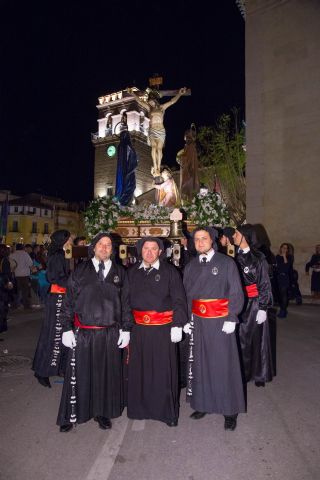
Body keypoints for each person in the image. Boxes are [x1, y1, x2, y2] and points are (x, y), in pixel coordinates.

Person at [56, 232, 132, 432]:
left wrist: (126, 329)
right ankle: (69, 414)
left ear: (112, 249)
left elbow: (126, 303)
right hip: (84, 334)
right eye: (101, 244)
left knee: (105, 376)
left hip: (110, 334)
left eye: (108, 245)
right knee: (78, 374)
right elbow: (69, 302)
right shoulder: (81, 271)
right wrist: (66, 328)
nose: (104, 248)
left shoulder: (120, 272)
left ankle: (101, 412)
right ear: (93, 247)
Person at [183, 227, 245, 431]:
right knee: (201, 364)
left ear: (213, 241)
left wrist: (232, 316)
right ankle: (203, 404)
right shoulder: (190, 266)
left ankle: (229, 410)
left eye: (204, 238)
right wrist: (186, 318)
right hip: (199, 323)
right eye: (197, 239)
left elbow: (236, 291)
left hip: (220, 322)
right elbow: (186, 295)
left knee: (224, 365)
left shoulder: (226, 263)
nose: (200, 242)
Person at [127, 236, 187, 427]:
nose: (150, 252)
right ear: (140, 251)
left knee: (163, 372)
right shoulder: (131, 273)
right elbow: (124, 302)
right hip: (138, 330)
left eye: (154, 249)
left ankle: (166, 413)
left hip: (163, 330)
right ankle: (139, 409)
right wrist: (125, 327)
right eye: (146, 248)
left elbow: (179, 300)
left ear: (161, 252)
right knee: (140, 371)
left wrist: (178, 324)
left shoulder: (170, 272)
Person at [232, 224, 275, 387]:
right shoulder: (233, 257)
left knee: (258, 339)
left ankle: (260, 374)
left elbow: (264, 283)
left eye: (236, 234)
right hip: (239, 303)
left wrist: (263, 307)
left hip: (255, 304)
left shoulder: (258, 258)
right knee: (240, 338)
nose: (234, 236)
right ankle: (242, 372)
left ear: (245, 236)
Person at [32, 230, 72, 388]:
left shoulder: (62, 254)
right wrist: (74, 281)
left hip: (62, 297)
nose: (71, 241)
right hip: (57, 298)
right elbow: (54, 278)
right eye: (70, 239)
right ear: (63, 241)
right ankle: (41, 371)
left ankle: (59, 367)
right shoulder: (57, 256)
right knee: (53, 335)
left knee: (62, 334)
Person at [128, 87, 187, 179]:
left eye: (150, 101)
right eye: (148, 101)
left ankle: (158, 167)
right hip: (152, 130)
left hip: (161, 131)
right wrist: (132, 94)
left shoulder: (162, 107)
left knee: (159, 149)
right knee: (154, 147)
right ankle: (155, 167)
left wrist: (179, 94)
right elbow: (139, 101)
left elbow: (172, 101)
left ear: (155, 101)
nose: (149, 102)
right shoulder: (149, 108)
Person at [176, 123, 200, 202]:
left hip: (189, 172)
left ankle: (189, 198)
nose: (186, 139)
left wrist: (181, 158)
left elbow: (189, 160)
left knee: (189, 186)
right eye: (186, 137)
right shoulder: (188, 147)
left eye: (187, 137)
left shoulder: (191, 147)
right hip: (187, 171)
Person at [115, 128, 138, 206]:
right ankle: (124, 203)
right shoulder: (127, 147)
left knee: (129, 186)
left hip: (125, 172)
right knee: (130, 186)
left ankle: (123, 202)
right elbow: (134, 159)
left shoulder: (121, 146)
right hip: (128, 171)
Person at [9, 243, 33, 309]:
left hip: (15, 275)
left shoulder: (12, 255)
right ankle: (26, 305)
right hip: (25, 276)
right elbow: (30, 264)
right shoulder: (25, 254)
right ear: (23, 248)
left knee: (16, 291)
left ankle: (14, 305)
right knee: (25, 291)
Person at [275, 243, 294, 318]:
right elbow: (278, 267)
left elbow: (286, 267)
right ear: (281, 248)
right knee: (280, 295)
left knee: (284, 294)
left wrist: (284, 257)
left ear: (288, 250)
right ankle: (283, 309)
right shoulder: (277, 257)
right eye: (283, 247)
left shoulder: (290, 257)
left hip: (285, 277)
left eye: (286, 248)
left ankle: (283, 310)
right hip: (278, 277)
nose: (284, 249)